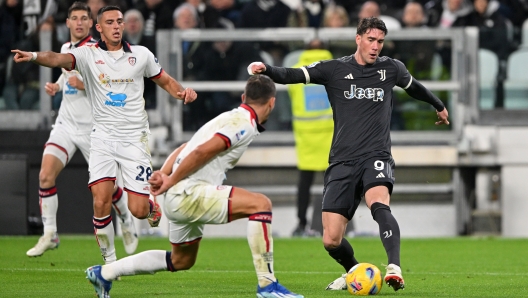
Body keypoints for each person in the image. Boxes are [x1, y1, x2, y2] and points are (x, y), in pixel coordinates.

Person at [247, 17, 450, 292]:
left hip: (376, 155)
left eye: (380, 41)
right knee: (331, 239)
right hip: (342, 160)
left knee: (378, 203)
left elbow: (413, 87)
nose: (376, 46)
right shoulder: (334, 69)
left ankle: (394, 267)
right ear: (358, 39)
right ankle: (354, 271)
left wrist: (438, 105)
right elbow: (294, 75)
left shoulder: (391, 68)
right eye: (371, 40)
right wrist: (266, 69)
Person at [84, 75, 304, 298]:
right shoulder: (243, 124)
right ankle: (268, 286)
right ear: (272, 102)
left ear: (243, 97)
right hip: (189, 192)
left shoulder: (228, 118)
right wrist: (171, 179)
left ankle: (105, 273)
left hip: (179, 196)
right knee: (261, 204)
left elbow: (185, 146)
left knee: (181, 260)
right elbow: (201, 151)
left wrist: (165, 172)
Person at [12, 5, 197, 265]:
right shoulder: (87, 55)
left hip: (134, 138)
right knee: (100, 201)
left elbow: (165, 80)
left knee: (139, 210)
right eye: (110, 22)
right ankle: (109, 265)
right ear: (99, 28)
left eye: (119, 21)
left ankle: (150, 206)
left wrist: (181, 92)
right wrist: (31, 55)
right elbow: (56, 59)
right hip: (101, 138)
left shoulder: (141, 55)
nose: (116, 26)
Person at [25, 1, 139, 258]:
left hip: (94, 129)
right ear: (67, 23)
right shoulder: (67, 48)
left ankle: (127, 223)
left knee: (107, 190)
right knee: (45, 175)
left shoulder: (101, 52)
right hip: (66, 123)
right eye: (74, 18)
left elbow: (115, 88)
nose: (78, 22)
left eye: (83, 18)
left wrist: (84, 85)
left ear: (91, 24)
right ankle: (50, 233)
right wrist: (58, 84)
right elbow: (66, 72)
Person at [287, 41, 333, 237]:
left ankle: (301, 223)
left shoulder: (297, 70)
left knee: (304, 183)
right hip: (331, 132)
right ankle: (334, 224)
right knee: (333, 183)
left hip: (305, 134)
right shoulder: (335, 68)